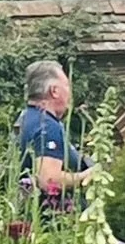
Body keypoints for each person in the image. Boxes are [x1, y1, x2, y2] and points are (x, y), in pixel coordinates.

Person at [16, 60, 90, 212]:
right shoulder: (47, 126)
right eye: (67, 86)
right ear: (54, 91)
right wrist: (86, 176)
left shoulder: (25, 118)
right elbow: (49, 179)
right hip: (50, 220)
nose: (70, 92)